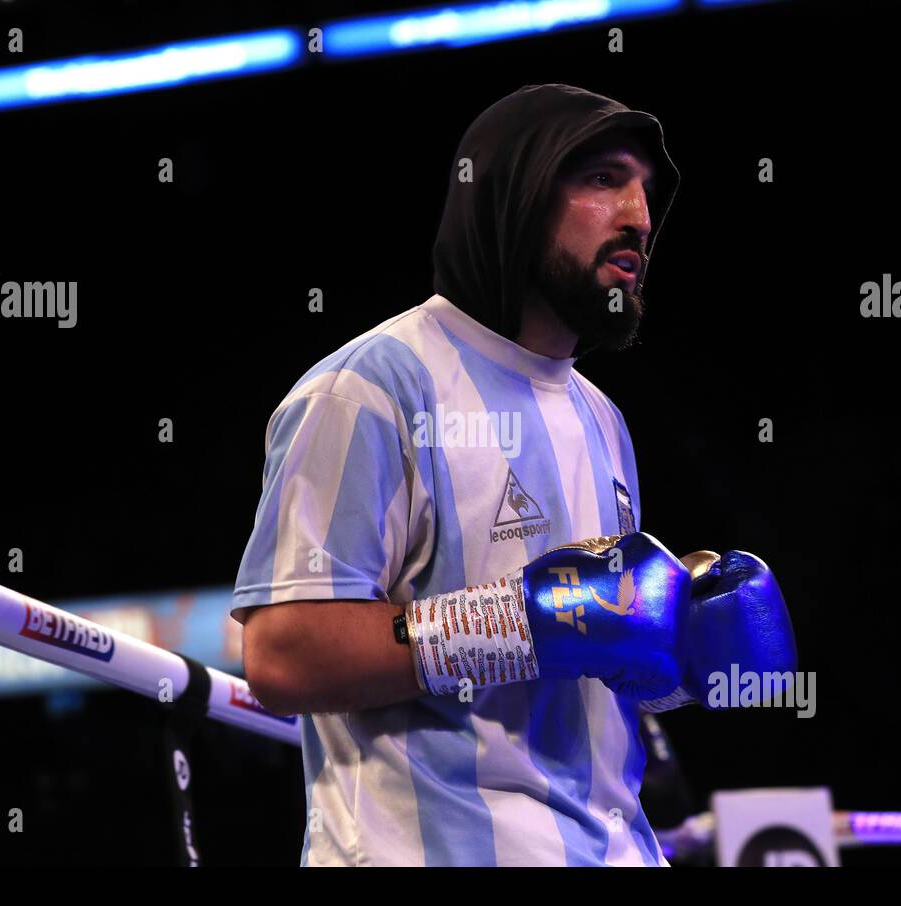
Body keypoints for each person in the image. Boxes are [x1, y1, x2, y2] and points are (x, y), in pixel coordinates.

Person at [229, 83, 794, 866]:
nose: (637, 214)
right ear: (514, 192)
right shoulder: (371, 388)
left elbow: (579, 664)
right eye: (602, 179)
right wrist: (520, 623)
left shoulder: (601, 419)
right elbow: (282, 656)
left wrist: (682, 662)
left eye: (646, 193)